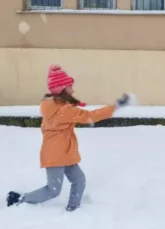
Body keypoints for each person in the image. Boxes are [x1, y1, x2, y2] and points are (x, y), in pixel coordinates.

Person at [6, 65, 133, 211]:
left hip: (64, 152)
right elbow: (90, 116)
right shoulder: (63, 111)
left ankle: (73, 209)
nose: (72, 90)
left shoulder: (55, 107)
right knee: (53, 190)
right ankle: (20, 199)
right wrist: (116, 106)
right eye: (70, 86)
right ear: (62, 89)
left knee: (79, 180)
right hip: (55, 154)